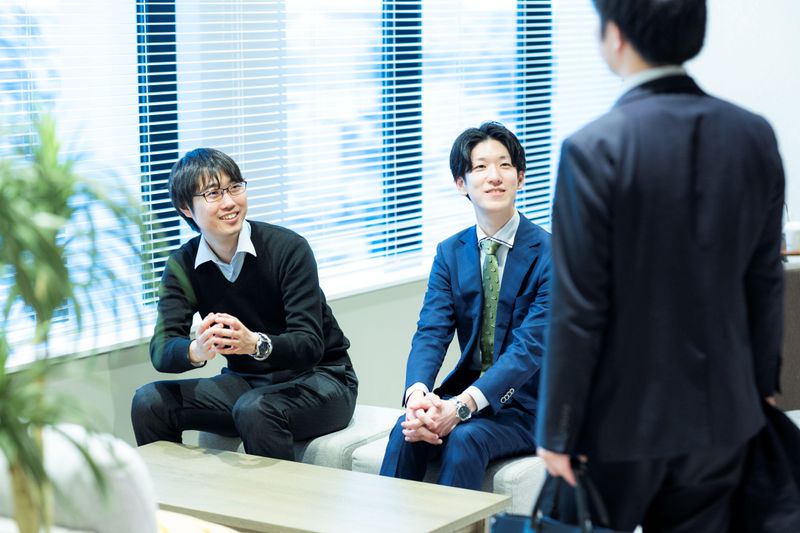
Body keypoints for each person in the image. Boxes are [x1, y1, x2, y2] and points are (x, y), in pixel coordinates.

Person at [536, 0, 785, 530]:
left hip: (619, 420)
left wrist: (557, 428)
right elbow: (764, 280)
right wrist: (761, 383)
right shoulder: (753, 134)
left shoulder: (593, 148)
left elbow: (577, 309)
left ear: (616, 36)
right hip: (723, 414)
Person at [131, 148, 358, 460]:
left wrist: (255, 344)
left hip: (321, 379)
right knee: (150, 402)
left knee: (256, 410)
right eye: (213, 193)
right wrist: (197, 350)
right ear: (186, 208)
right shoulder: (182, 264)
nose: (229, 202)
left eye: (235, 187)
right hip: (248, 383)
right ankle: (173, 491)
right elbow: (162, 348)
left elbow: (309, 345)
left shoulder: (288, 248)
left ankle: (278, 496)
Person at [379, 122, 551, 489]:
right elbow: (432, 331)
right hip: (467, 390)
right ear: (462, 183)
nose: (494, 177)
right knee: (407, 430)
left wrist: (461, 407)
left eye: (504, 165)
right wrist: (418, 395)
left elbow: (529, 350)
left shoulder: (553, 255)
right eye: (480, 167)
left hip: (531, 404)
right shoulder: (450, 253)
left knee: (465, 437)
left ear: (520, 178)